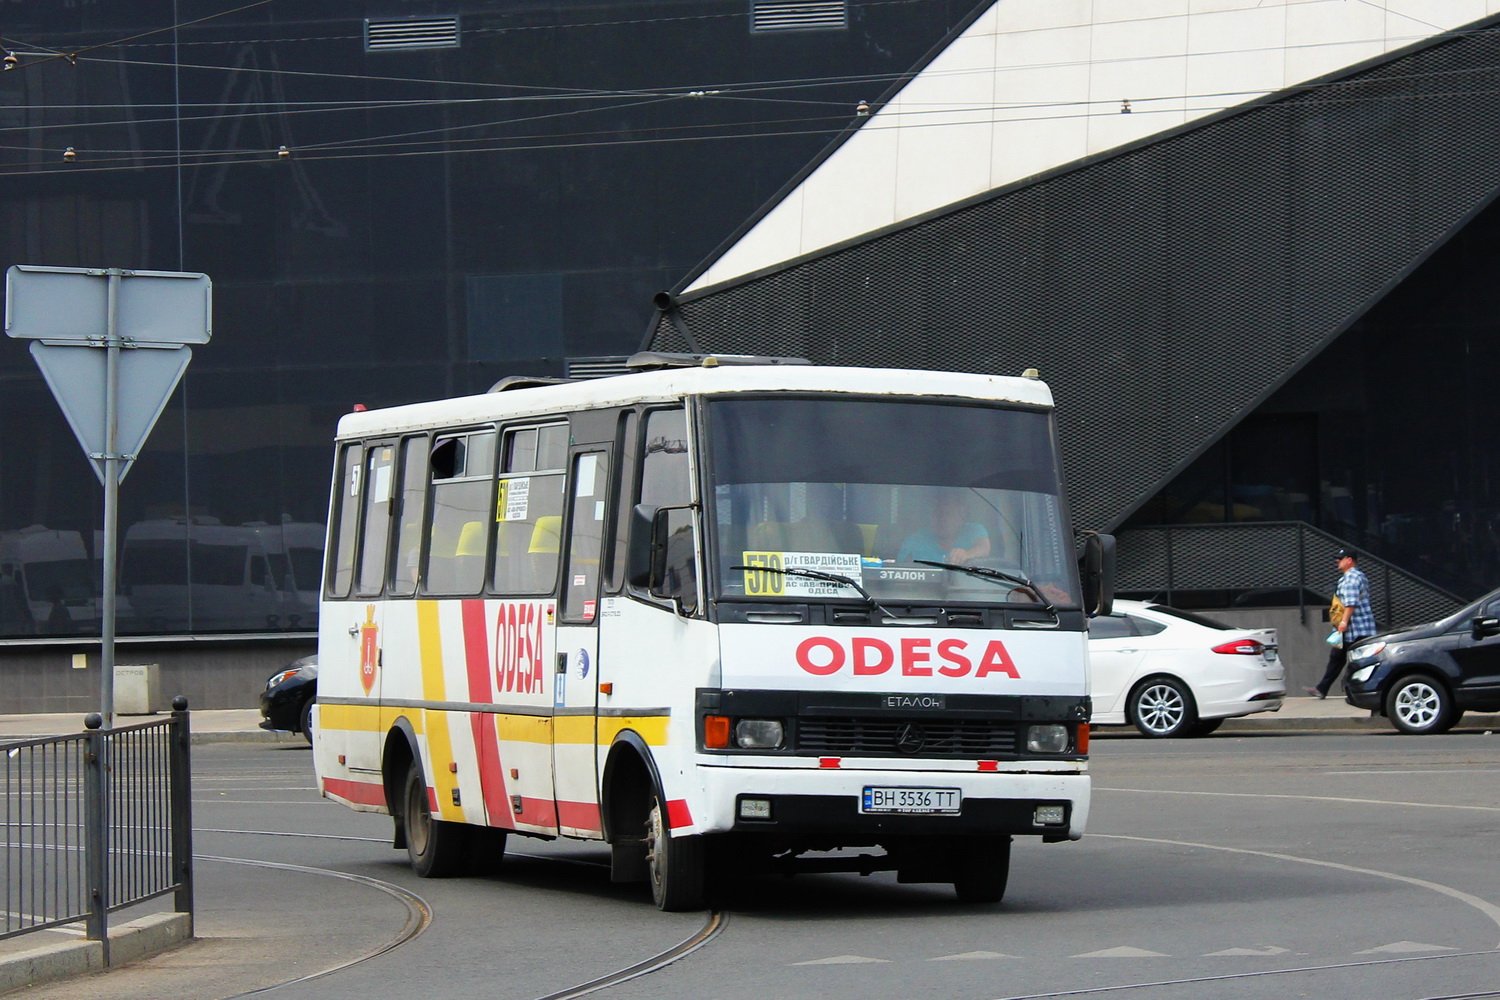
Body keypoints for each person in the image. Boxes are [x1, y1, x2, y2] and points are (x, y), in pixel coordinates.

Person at [1307, 547, 1375, 699]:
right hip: (1354, 628)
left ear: (1349, 560)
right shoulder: (1357, 576)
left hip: (1354, 629)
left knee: (1353, 661)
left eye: (1341, 558)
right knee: (1337, 657)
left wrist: (1343, 623)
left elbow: (1350, 604)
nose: (1337, 561)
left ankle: (1352, 691)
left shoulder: (1351, 578)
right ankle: (1322, 688)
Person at [898, 493, 991, 565]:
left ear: (961, 517)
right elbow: (902, 573)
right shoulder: (913, 541)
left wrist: (967, 554)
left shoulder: (974, 530)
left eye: (948, 513)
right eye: (936, 513)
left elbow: (983, 547)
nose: (941, 519)